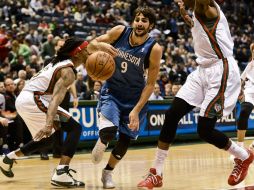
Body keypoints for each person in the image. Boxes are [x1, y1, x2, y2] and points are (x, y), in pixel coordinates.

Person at [137, 0, 254, 189]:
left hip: (221, 69)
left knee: (204, 130)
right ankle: (156, 173)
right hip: (202, 70)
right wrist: (186, 16)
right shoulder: (196, 12)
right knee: (172, 114)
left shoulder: (205, 7)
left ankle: (244, 156)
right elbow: (199, 29)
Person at [0, 37, 117, 188]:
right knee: (75, 128)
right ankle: (61, 173)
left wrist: (104, 48)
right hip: (34, 98)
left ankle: (8, 158)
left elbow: (92, 45)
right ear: (77, 53)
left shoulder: (61, 62)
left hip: (30, 98)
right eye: (86, 51)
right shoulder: (67, 71)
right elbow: (55, 99)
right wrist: (49, 123)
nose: (90, 53)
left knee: (48, 140)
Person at [90, 6, 162, 189]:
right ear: (133, 21)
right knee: (108, 131)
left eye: (144, 21)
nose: (139, 23)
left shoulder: (154, 48)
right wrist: (100, 45)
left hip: (134, 97)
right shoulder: (119, 32)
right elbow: (90, 46)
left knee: (124, 140)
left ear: (150, 25)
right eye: (137, 19)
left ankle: (107, 173)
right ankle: (102, 140)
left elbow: (151, 84)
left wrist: (136, 110)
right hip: (112, 91)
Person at [231, 43, 254, 153]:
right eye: (253, 52)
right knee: (244, 111)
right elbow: (241, 79)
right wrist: (239, 91)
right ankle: (239, 148)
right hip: (249, 92)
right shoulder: (250, 65)